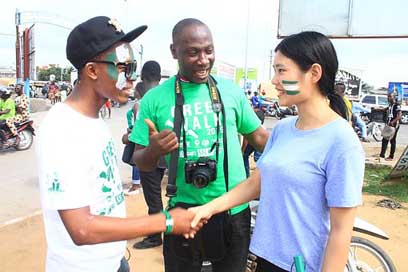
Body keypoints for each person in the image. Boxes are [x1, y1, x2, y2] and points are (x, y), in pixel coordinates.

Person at [189, 31, 364, 272]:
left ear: (314, 73)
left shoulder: (342, 142)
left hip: (302, 267)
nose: (274, 80)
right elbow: (255, 184)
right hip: (265, 260)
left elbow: (341, 230)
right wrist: (208, 208)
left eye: (282, 71)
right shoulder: (282, 129)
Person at [36, 16, 197, 272]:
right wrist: (165, 221)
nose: (133, 78)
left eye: (134, 66)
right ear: (91, 70)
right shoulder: (62, 129)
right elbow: (81, 228)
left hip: (113, 262)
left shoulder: (94, 120)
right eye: (124, 68)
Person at [130, 18, 269, 272]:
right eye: (193, 52)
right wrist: (154, 150)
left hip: (232, 209)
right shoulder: (154, 99)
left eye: (209, 50)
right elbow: (140, 160)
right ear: (174, 52)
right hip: (182, 214)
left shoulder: (231, 92)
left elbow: (259, 138)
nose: (203, 59)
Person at [131, 60, 169, 250]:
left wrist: (126, 137)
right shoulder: (166, 96)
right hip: (166, 157)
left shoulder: (146, 100)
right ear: (160, 77)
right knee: (158, 195)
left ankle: (155, 236)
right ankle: (156, 230)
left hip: (148, 156)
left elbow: (139, 137)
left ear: (143, 77)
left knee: (153, 198)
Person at [242, 108, 264, 178]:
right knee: (259, 158)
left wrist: (242, 149)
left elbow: (246, 139)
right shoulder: (259, 114)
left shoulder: (249, 118)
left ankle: (247, 175)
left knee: (245, 156)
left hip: (253, 139)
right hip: (260, 138)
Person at [379, 92, 401, 161]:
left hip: (394, 125)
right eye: (388, 97)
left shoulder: (397, 105)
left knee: (390, 140)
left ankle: (388, 156)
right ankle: (383, 156)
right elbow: (385, 110)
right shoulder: (390, 105)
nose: (388, 98)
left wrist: (393, 121)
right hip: (389, 125)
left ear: (394, 97)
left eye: (390, 96)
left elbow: (399, 115)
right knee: (387, 140)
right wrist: (378, 109)